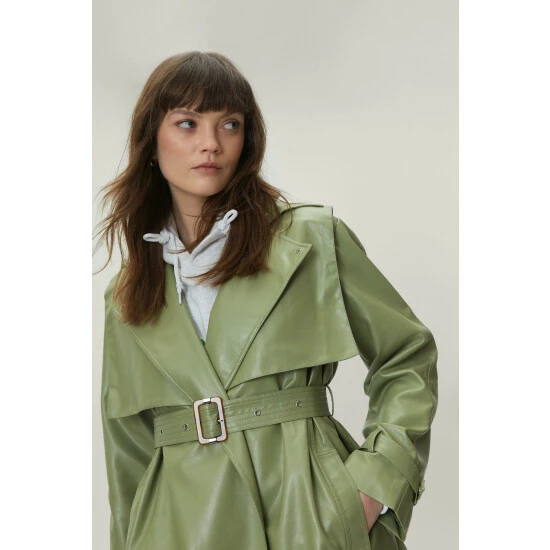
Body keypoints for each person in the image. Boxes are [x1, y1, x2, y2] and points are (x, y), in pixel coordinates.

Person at [94, 51, 438, 550]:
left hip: (306, 513)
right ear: (152, 141)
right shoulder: (127, 294)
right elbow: (127, 451)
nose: (211, 144)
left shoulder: (309, 241)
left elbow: (407, 355)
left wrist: (374, 483)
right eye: (188, 123)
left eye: (229, 124)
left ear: (247, 139)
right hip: (178, 528)